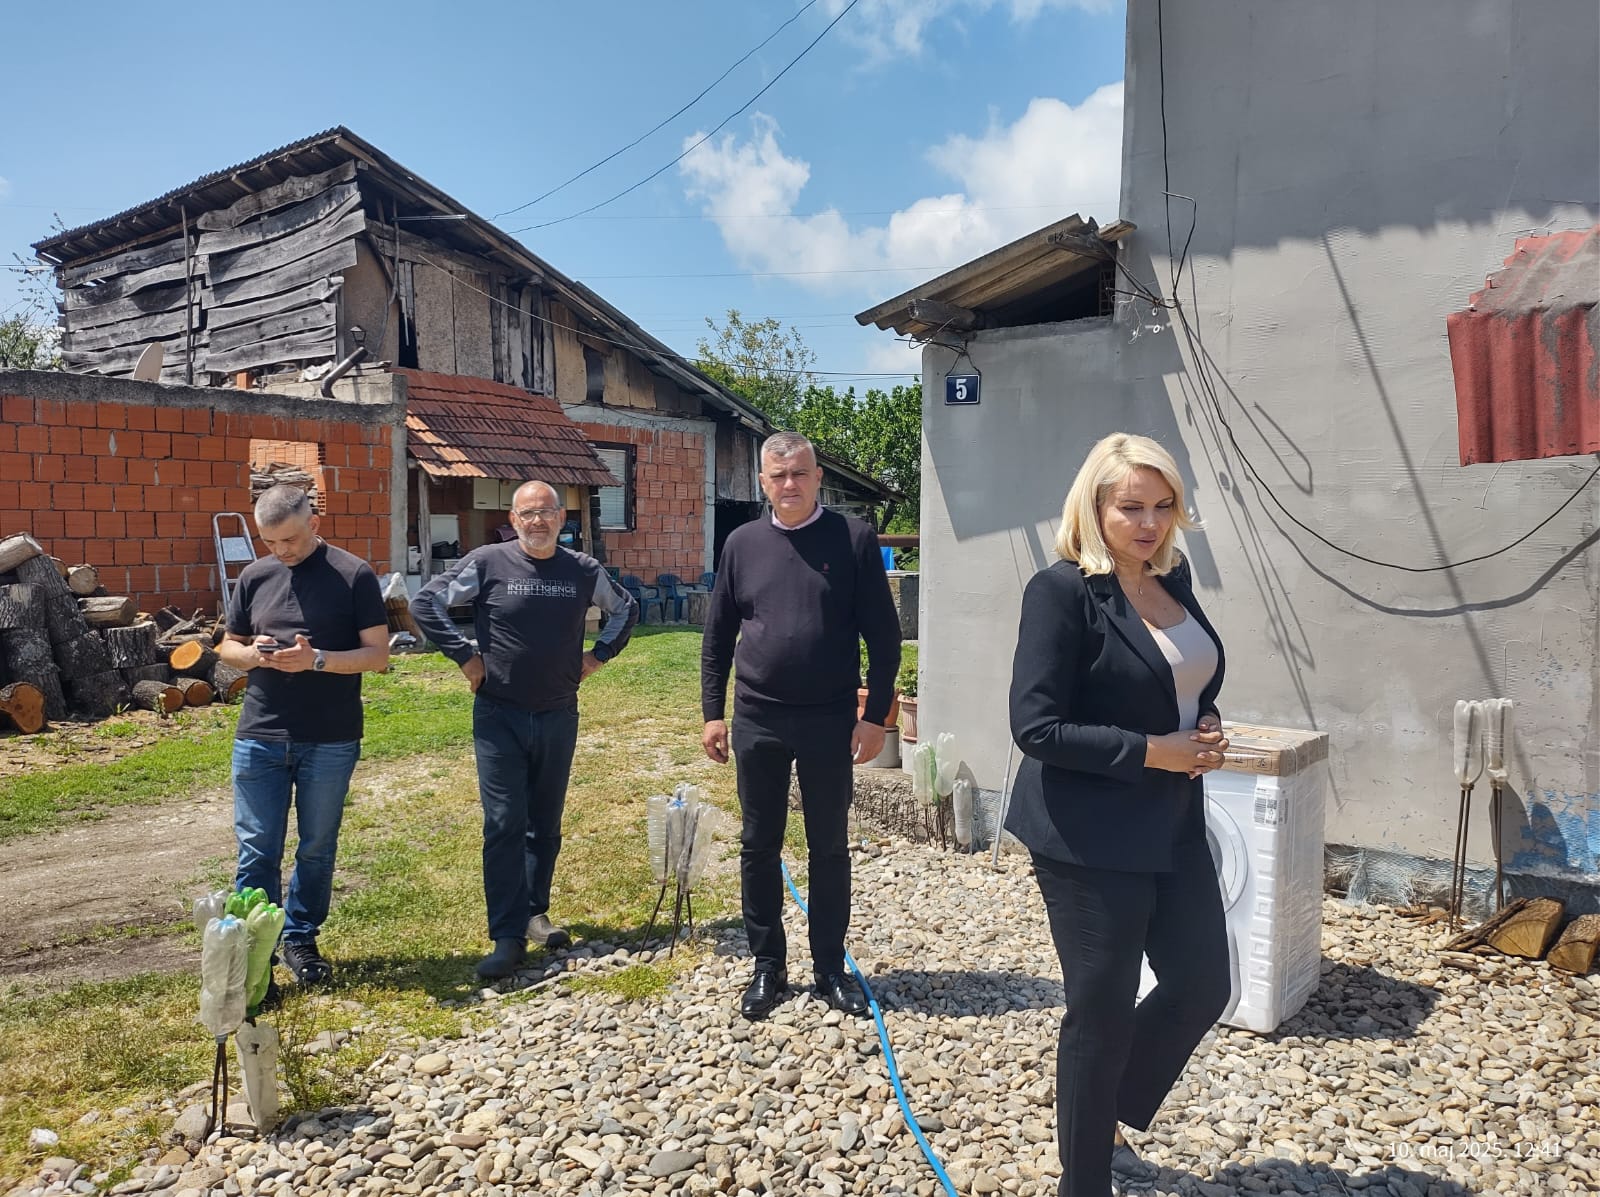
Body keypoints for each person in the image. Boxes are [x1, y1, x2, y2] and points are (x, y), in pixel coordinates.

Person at [1005, 433, 1233, 1197]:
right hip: (1088, 833)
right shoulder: (1061, 592)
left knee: (1202, 983)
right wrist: (1153, 750)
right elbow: (1036, 726)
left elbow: (1182, 678)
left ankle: (1098, 1109)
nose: (1150, 523)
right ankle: (1084, 1178)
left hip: (1173, 818)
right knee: (1099, 1010)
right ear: (1094, 505)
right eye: (1131, 506)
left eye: (1163, 505)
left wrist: (1204, 723)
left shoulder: (1173, 576)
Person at [701, 432, 902, 1020]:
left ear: (817, 478)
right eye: (778, 475)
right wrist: (712, 713)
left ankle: (829, 967)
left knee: (829, 846)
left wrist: (874, 717)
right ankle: (768, 965)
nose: (789, 484)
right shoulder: (741, 544)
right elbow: (717, 636)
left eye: (799, 473)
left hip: (828, 719)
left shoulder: (853, 539)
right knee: (758, 845)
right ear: (763, 482)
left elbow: (884, 639)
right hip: (757, 716)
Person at [410, 480, 638, 981]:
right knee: (503, 822)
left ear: (561, 518)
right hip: (500, 715)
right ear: (513, 521)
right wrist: (465, 656)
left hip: (558, 713)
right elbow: (426, 604)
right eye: (527, 514)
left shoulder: (583, 569)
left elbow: (626, 609)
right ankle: (507, 936)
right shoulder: (488, 562)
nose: (537, 521)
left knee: (545, 823)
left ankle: (536, 913)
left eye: (546, 512)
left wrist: (599, 656)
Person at [217, 484, 391, 991]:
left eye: (290, 540)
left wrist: (316, 660)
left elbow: (378, 655)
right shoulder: (255, 576)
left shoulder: (353, 574)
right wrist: (253, 656)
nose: (282, 551)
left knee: (316, 846)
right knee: (257, 849)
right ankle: (256, 953)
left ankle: (300, 937)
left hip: (330, 737)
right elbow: (227, 646)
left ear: (313, 523)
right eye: (270, 542)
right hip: (260, 734)